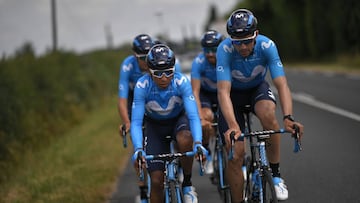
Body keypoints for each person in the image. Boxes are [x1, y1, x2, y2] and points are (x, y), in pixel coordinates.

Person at [216, 9, 304, 202]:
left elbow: (281, 84)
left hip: (257, 89)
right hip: (233, 97)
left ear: (256, 34)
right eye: (238, 42)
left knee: (268, 114)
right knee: (235, 155)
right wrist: (232, 125)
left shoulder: (267, 45)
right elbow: (223, 91)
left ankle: (276, 174)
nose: (243, 47)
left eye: (247, 41)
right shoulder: (224, 49)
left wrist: (288, 117)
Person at [130, 44, 207, 203]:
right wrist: (138, 149)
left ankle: (187, 183)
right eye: (158, 73)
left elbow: (193, 116)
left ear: (174, 69)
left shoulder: (181, 82)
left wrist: (198, 142)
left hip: (178, 121)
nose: (164, 78)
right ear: (149, 71)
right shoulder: (142, 86)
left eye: (168, 72)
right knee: (157, 181)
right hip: (154, 127)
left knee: (186, 139)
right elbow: (136, 122)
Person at [117, 34, 182, 203]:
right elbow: (123, 98)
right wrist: (126, 121)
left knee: (179, 131)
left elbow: (178, 88)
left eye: (148, 57)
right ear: (134, 56)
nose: (146, 61)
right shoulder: (128, 67)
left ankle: (178, 164)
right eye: (142, 58)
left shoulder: (161, 63)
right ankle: (143, 187)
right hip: (137, 103)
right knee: (141, 143)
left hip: (160, 102)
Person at [190, 30, 224, 174]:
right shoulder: (198, 62)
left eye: (214, 50)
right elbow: (195, 92)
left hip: (223, 92)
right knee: (207, 117)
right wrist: (200, 117)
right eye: (206, 50)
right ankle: (207, 153)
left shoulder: (228, 58)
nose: (210, 54)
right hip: (205, 94)